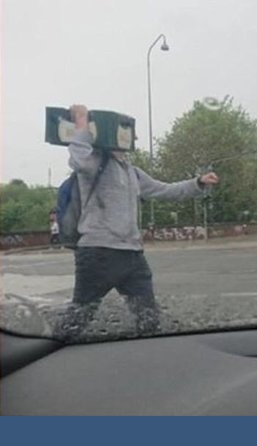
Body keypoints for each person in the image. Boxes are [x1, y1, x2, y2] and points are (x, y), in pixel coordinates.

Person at [55, 104, 219, 339]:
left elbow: (166, 190)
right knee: (80, 315)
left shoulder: (133, 172)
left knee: (148, 318)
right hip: (98, 253)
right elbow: (79, 160)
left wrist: (199, 183)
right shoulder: (95, 162)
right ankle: (51, 346)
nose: (133, 140)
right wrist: (81, 124)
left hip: (132, 255)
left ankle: (149, 356)